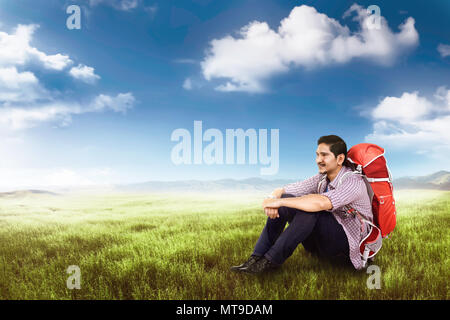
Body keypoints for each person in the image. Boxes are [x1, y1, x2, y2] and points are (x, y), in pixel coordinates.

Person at [230, 135, 373, 274]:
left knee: (310, 210)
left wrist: (277, 202)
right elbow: (285, 190)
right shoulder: (323, 178)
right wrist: (273, 199)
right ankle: (256, 257)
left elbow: (321, 202)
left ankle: (270, 261)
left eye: (324, 155)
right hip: (325, 240)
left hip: (348, 244)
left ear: (340, 158)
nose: (318, 160)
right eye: (317, 155)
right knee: (287, 200)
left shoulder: (353, 182)